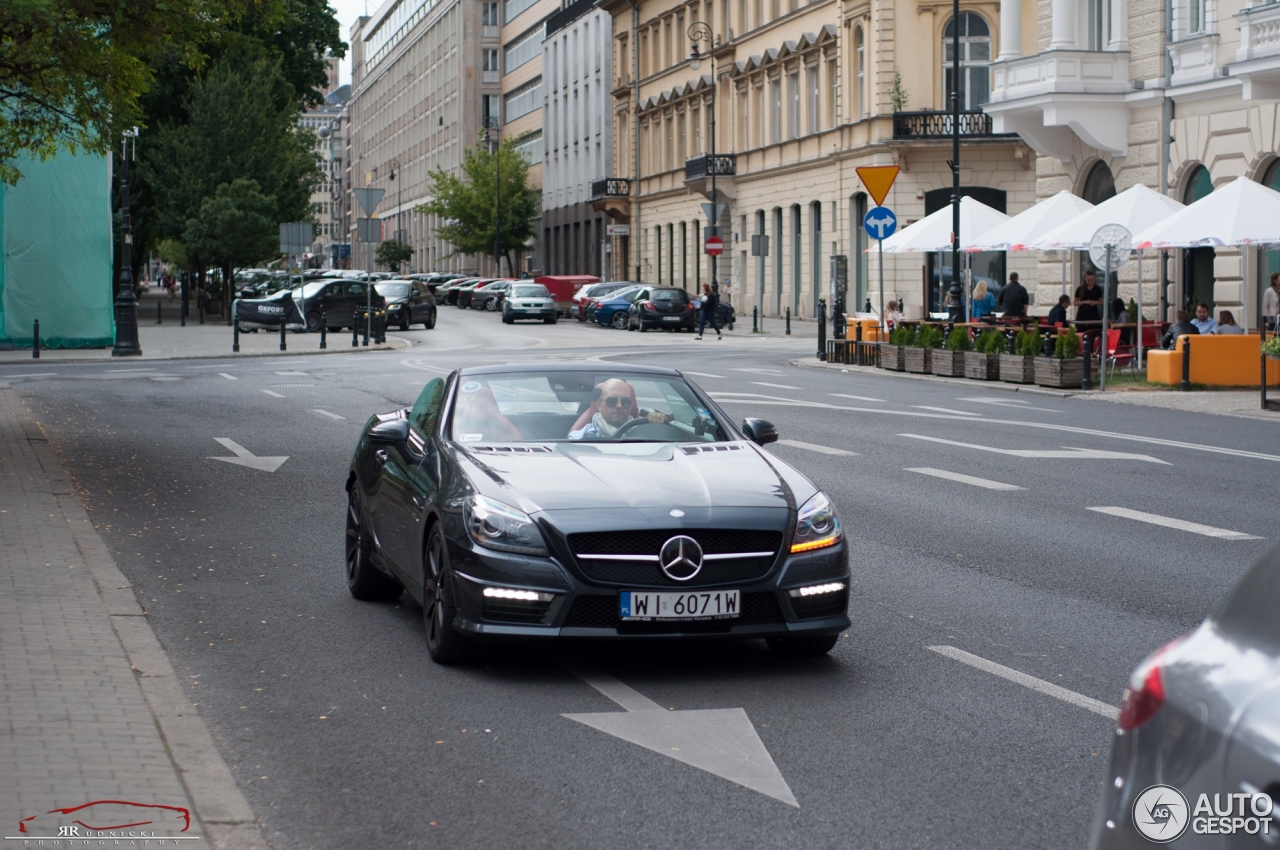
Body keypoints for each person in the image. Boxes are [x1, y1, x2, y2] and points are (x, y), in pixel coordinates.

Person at [568, 379, 672, 440]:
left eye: (625, 401)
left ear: (631, 405)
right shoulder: (578, 438)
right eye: (612, 401)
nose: (619, 405)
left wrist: (659, 427)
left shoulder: (644, 432)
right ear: (599, 405)